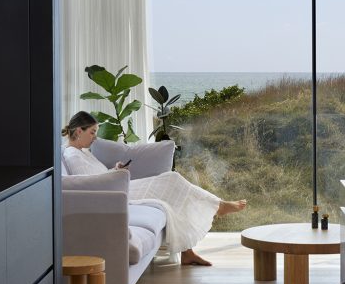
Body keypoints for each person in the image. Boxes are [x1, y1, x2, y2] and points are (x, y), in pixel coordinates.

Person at [61, 111, 247, 266]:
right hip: (116, 193)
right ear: (79, 131)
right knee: (171, 180)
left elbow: (97, 177)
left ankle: (189, 250)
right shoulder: (72, 155)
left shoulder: (82, 152)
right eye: (92, 132)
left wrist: (115, 170)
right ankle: (218, 206)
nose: (95, 138)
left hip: (117, 186)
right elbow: (91, 184)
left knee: (171, 185)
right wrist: (116, 175)